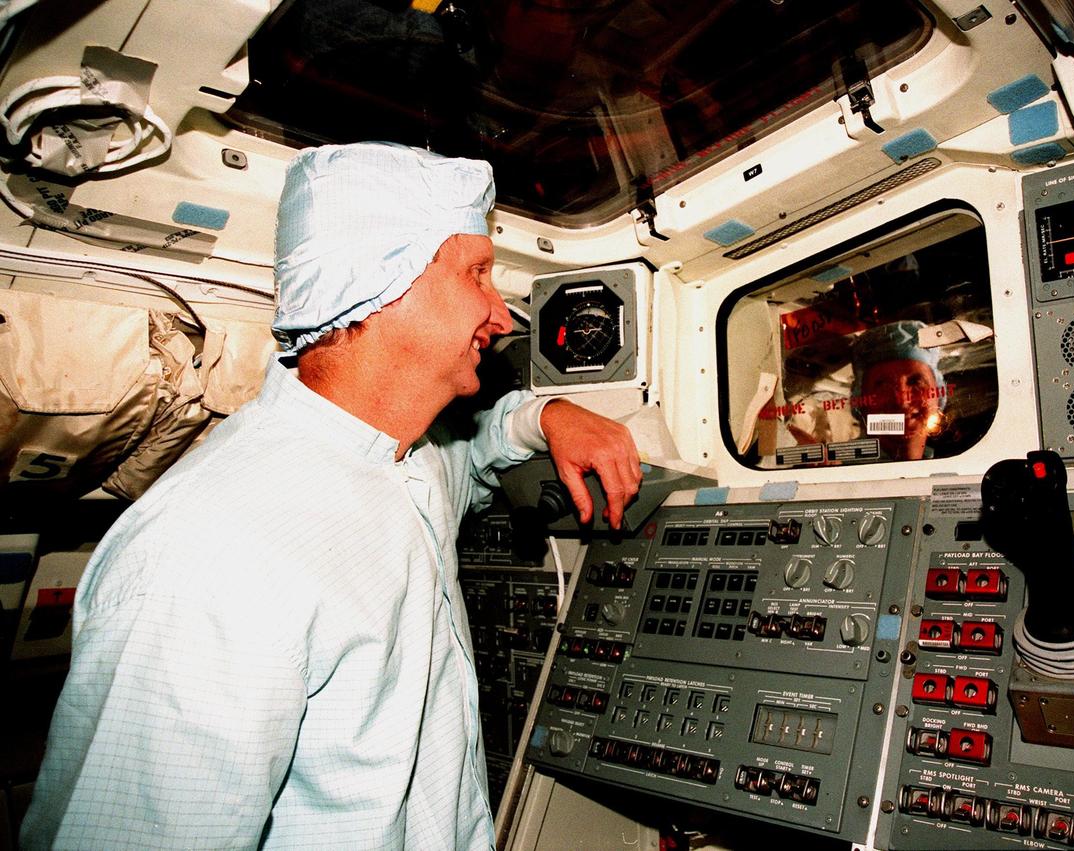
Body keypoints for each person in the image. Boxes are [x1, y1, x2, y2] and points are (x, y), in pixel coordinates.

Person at [21, 142, 642, 849]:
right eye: (478, 274)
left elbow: (469, 454)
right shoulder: (208, 555)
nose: (501, 315)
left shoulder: (407, 456)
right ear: (384, 280)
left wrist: (546, 416)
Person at [849, 319, 947, 461]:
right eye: (883, 387)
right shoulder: (834, 469)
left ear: (939, 393)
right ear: (860, 403)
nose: (902, 402)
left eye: (916, 383)